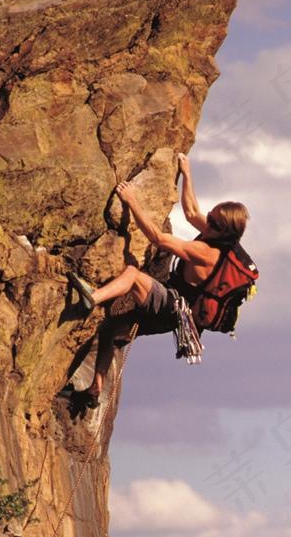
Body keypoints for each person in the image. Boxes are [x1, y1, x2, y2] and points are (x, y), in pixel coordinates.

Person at [68, 153, 249, 406]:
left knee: (132, 276)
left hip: (171, 308)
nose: (205, 217)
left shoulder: (207, 252)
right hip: (175, 314)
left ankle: (92, 298)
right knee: (110, 328)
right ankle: (95, 388)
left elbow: (158, 238)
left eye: (212, 218)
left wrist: (132, 201)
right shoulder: (221, 239)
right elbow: (190, 211)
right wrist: (187, 173)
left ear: (220, 228)